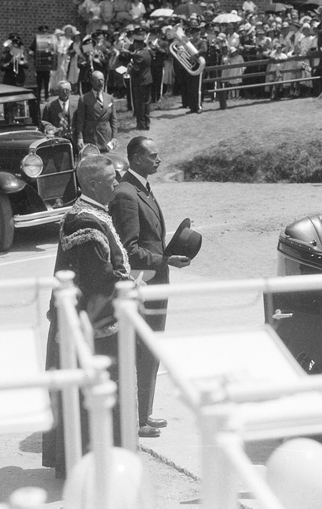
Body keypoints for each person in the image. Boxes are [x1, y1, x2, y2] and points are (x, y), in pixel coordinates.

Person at [42, 155, 137, 475]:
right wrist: (132, 287)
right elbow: (100, 279)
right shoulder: (85, 221)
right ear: (94, 184)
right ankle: (94, 467)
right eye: (113, 179)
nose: (118, 183)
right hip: (95, 326)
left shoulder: (92, 213)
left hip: (94, 321)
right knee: (95, 397)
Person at [110, 137, 191, 438]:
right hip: (145, 283)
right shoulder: (127, 195)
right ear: (135, 158)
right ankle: (137, 418)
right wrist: (166, 260)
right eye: (153, 155)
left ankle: (144, 412)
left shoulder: (141, 187)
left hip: (156, 280)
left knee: (151, 349)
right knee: (143, 349)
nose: (158, 159)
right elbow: (129, 251)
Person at [73, 71, 117, 153]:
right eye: (98, 80)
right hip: (91, 138)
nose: (101, 83)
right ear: (92, 82)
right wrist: (80, 138)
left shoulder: (109, 98)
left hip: (106, 138)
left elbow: (113, 120)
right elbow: (80, 121)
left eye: (102, 80)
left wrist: (114, 137)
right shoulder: (84, 98)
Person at [127, 31, 153, 129]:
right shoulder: (147, 52)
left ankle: (141, 124)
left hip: (140, 81)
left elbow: (136, 69)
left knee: (140, 103)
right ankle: (147, 123)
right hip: (148, 79)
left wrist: (130, 67)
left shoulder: (138, 54)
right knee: (146, 103)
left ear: (137, 44)